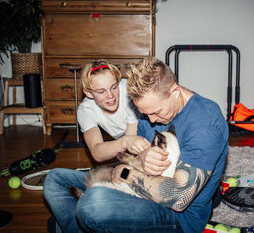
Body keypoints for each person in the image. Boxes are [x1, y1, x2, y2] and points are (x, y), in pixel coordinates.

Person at [45, 57, 229, 233]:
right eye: (144, 113)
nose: (151, 120)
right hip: (138, 188)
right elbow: (133, 155)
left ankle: (86, 221)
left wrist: (125, 172)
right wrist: (138, 158)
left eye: (157, 112)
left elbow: (178, 198)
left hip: (177, 217)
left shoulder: (205, 123)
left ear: (174, 92)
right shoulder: (150, 110)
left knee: (93, 203)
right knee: (55, 179)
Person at [44, 60, 151, 232]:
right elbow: (97, 152)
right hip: (120, 161)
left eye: (113, 87)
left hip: (138, 165)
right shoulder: (86, 110)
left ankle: (76, 221)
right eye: (101, 91)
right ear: (88, 92)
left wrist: (127, 142)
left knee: (95, 197)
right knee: (54, 178)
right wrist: (124, 141)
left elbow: (131, 152)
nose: (111, 95)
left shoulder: (128, 92)